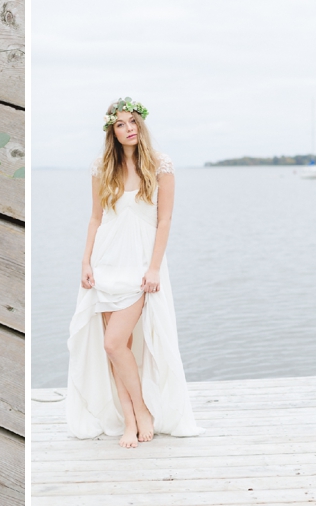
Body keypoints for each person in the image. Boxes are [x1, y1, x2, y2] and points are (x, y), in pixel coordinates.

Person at [66, 98, 206, 448]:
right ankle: (130, 419)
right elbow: (96, 218)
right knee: (118, 348)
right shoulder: (101, 167)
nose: (128, 128)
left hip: (141, 262)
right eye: (120, 124)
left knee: (113, 342)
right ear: (111, 131)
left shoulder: (161, 165)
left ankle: (143, 410)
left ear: (141, 125)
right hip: (105, 261)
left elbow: (165, 219)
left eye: (133, 121)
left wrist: (155, 267)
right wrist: (85, 262)